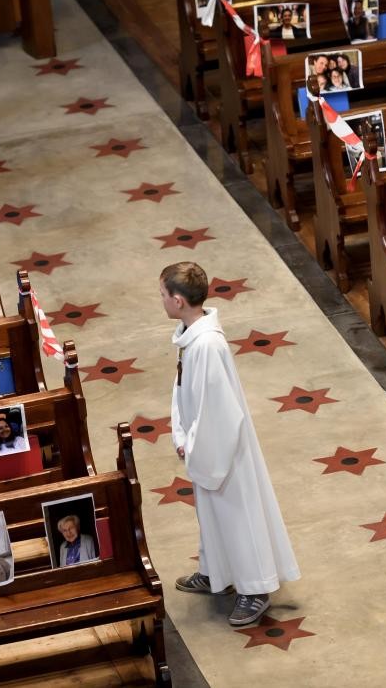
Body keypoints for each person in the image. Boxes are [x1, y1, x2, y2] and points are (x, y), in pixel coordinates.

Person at [161, 262, 299, 626]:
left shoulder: (206, 344)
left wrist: (193, 445)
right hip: (201, 443)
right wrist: (185, 436)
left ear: (177, 300)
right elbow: (185, 390)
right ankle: (216, 571)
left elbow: (219, 411)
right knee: (211, 514)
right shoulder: (192, 334)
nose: (160, 300)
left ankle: (255, 589)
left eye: (162, 295)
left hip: (221, 449)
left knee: (238, 515)